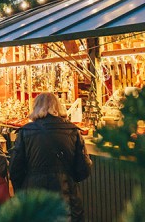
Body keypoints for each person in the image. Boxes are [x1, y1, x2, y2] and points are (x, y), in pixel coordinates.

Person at [9, 93, 92, 222]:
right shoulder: (73, 131)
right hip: (65, 193)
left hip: (34, 195)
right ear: (58, 107)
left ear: (35, 108)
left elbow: (15, 169)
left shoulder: (26, 132)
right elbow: (84, 169)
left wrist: (23, 190)